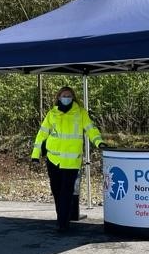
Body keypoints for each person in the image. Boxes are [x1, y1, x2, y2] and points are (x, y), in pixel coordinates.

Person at [31, 86, 107, 233]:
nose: (66, 98)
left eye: (69, 95)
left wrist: (99, 142)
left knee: (66, 192)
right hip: (53, 160)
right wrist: (35, 154)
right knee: (57, 191)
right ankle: (62, 218)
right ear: (59, 97)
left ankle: (63, 223)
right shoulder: (52, 114)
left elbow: (91, 129)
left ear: (73, 98)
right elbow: (41, 134)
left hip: (72, 162)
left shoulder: (80, 113)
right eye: (64, 95)